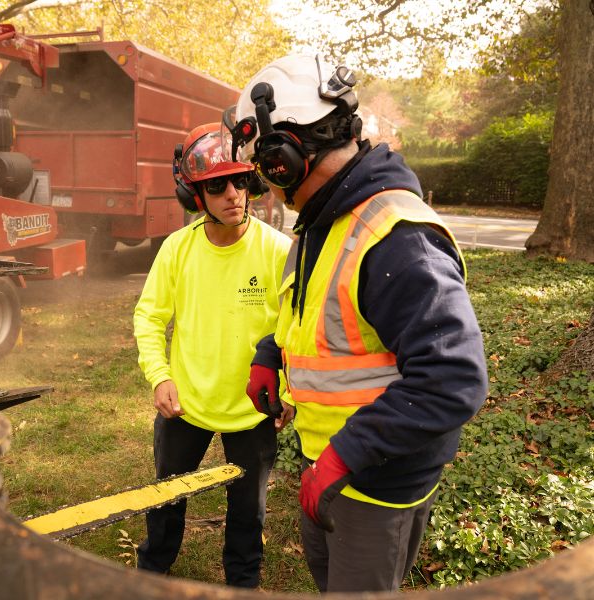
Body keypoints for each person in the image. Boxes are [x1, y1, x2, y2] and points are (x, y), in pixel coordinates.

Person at [226, 55, 489, 593]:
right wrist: (269, 354)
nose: (263, 182)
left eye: (261, 165)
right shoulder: (322, 222)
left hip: (376, 480)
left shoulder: (395, 235)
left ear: (284, 159)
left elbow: (453, 380)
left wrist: (345, 454)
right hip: (331, 464)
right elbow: (311, 317)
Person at [133, 122, 292, 588]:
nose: (233, 194)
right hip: (186, 403)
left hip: (253, 408)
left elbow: (296, 331)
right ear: (194, 195)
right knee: (167, 496)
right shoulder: (177, 250)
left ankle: (242, 582)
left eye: (240, 181)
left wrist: (291, 390)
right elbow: (148, 317)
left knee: (248, 509)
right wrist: (160, 377)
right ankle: (153, 569)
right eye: (217, 185)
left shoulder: (279, 251)